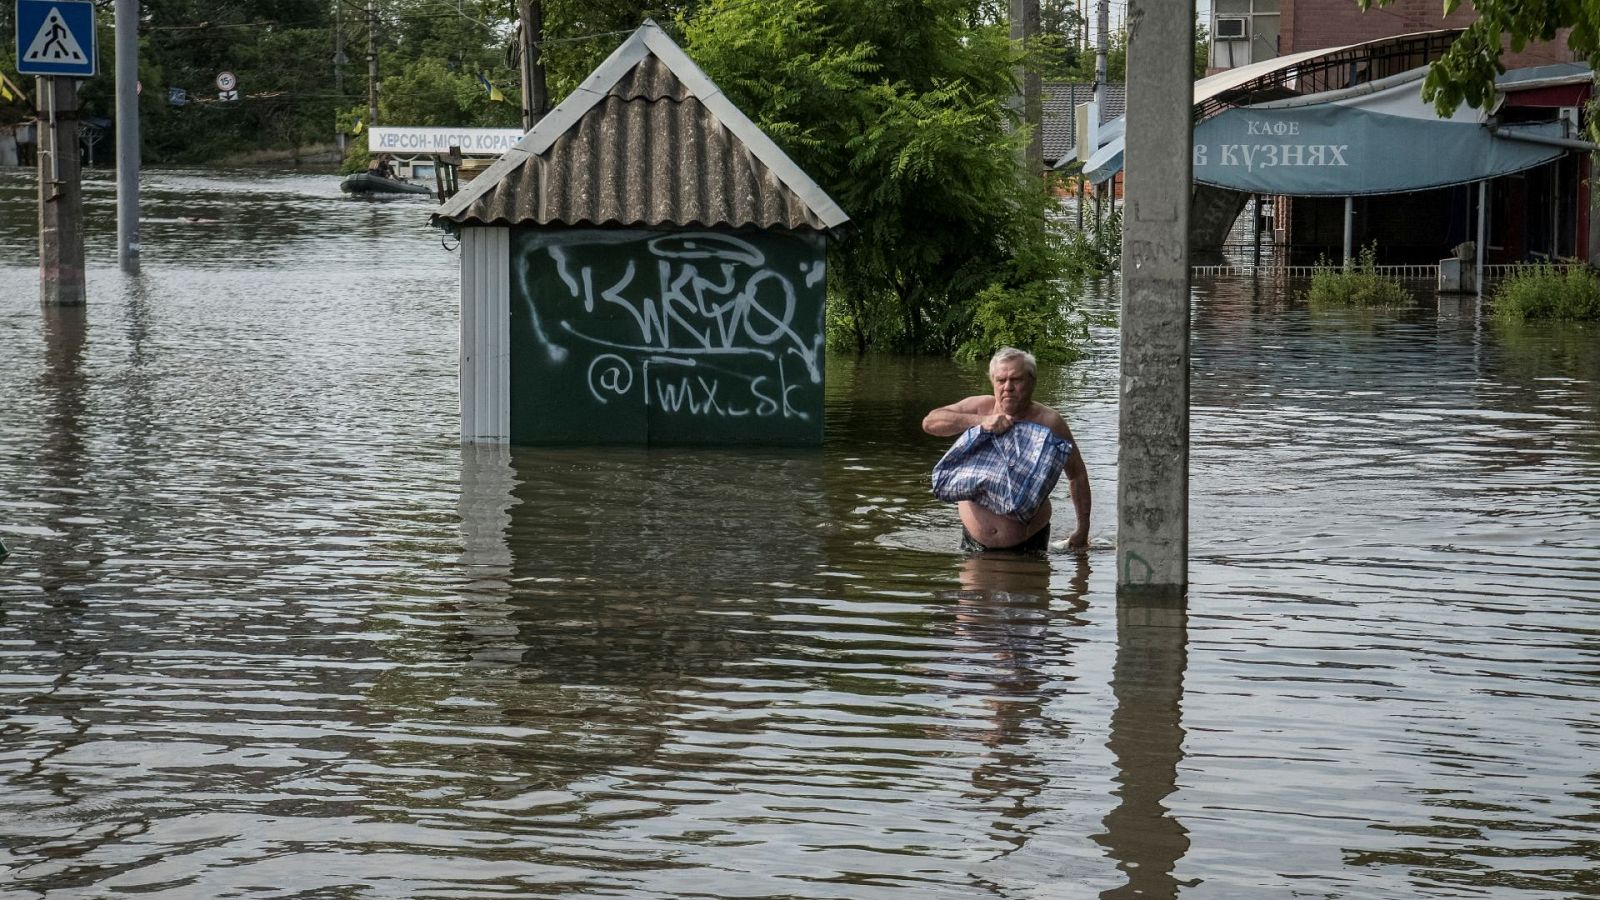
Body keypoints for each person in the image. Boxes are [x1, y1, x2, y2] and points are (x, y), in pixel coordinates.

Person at [923, 347, 1091, 553]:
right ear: (993, 382)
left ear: (1032, 381)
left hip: (1031, 541)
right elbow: (930, 422)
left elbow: (1077, 475)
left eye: (1016, 380)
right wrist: (981, 422)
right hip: (974, 542)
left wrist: (1082, 530)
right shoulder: (980, 408)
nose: (1007, 387)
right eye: (1001, 380)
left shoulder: (1050, 422)